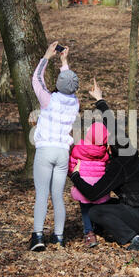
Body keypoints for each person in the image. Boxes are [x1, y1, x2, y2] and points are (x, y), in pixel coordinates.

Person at [69, 79, 139, 251]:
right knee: (103, 205)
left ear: (107, 147)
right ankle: (113, 230)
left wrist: (75, 175)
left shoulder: (117, 166)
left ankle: (135, 239)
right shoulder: (128, 150)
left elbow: (92, 193)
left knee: (95, 211)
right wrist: (99, 99)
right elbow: (113, 126)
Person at [29, 42, 80, 251]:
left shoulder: (48, 100)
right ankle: (59, 237)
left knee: (42, 194)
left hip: (45, 151)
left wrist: (46, 57)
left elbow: (36, 80)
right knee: (57, 196)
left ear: (58, 84)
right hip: (62, 153)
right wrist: (64, 62)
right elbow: (69, 84)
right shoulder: (75, 103)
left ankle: (38, 237)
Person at [69, 122, 111, 248]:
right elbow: (108, 166)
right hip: (99, 185)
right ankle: (99, 228)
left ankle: (89, 233)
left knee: (85, 210)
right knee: (100, 208)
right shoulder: (104, 152)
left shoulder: (78, 148)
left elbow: (72, 164)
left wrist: (72, 175)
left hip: (83, 184)